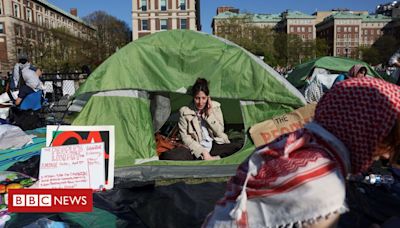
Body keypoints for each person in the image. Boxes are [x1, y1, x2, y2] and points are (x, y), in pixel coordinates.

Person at [204, 78, 400, 228]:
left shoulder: (296, 144)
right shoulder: (325, 187)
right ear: (364, 129)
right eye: (386, 141)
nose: (384, 156)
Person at [159, 78, 241, 161]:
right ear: (193, 97)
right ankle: (209, 158)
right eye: (197, 98)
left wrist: (209, 116)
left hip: (214, 145)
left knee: (240, 147)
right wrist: (202, 152)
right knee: (168, 156)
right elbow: (185, 138)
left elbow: (220, 131)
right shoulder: (185, 111)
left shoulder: (215, 107)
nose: (200, 102)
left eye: (203, 98)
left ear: (208, 97)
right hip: (195, 148)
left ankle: (214, 158)